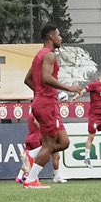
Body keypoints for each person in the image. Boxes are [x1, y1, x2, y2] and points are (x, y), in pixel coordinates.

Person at [17, 22, 84, 188]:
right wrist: (69, 88)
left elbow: (27, 80)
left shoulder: (39, 55)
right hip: (47, 104)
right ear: (51, 37)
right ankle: (31, 180)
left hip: (45, 102)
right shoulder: (50, 55)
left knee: (64, 142)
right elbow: (46, 78)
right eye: (58, 35)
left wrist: (39, 94)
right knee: (48, 146)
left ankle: (31, 154)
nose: (61, 38)